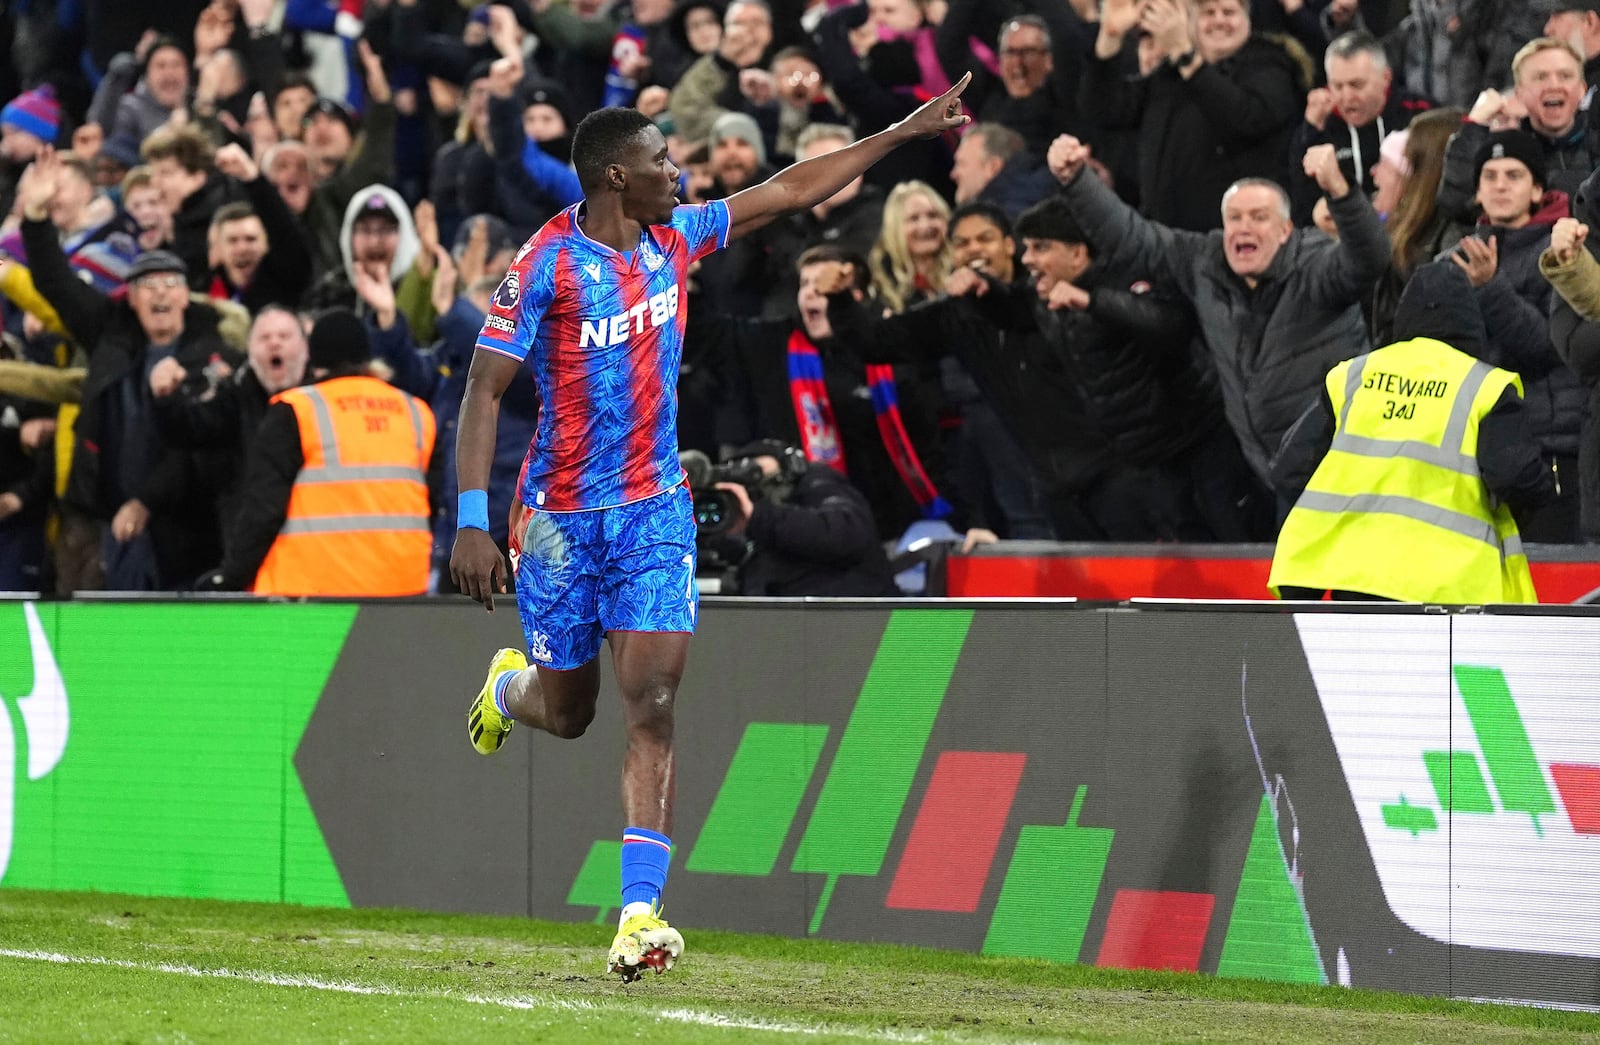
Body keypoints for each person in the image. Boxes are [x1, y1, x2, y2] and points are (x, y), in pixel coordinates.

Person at [450, 75, 973, 981]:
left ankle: (640, 913)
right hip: (559, 524)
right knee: (570, 713)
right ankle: (509, 692)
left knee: (652, 702)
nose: (679, 172)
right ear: (616, 175)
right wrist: (468, 522)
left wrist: (901, 133)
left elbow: (791, 188)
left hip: (654, 507)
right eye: (661, 159)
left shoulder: (676, 238)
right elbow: (483, 389)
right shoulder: (544, 265)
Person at [1045, 134, 1388, 494]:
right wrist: (1078, 181)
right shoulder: (1205, 262)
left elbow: (1370, 258)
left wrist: (1340, 191)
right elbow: (1135, 240)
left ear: (1286, 230)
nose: (1243, 227)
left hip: (1350, 472)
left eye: (1259, 217)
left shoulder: (1316, 266)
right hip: (1280, 478)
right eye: (1234, 218)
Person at [1270, 262, 1553, 602]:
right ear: (1470, 320)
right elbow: (1515, 477)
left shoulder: (1355, 375)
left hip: (1354, 579)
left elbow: (1290, 467)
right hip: (1449, 588)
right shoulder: (1483, 385)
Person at [205, 309, 435, 596]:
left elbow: (262, 511)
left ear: (314, 359)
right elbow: (434, 501)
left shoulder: (297, 411)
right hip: (402, 591)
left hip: (311, 592)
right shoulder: (415, 412)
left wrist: (231, 576)